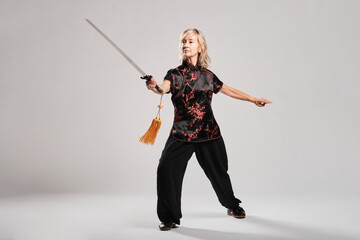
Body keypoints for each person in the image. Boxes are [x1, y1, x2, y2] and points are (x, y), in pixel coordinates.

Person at [145, 28, 272, 231]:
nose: (185, 45)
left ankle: (232, 205)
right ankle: (169, 217)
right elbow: (163, 87)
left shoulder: (208, 75)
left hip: (209, 133)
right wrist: (155, 87)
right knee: (166, 169)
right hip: (182, 133)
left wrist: (252, 98)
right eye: (183, 42)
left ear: (200, 47)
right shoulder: (175, 74)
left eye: (190, 41)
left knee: (219, 172)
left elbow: (228, 89)